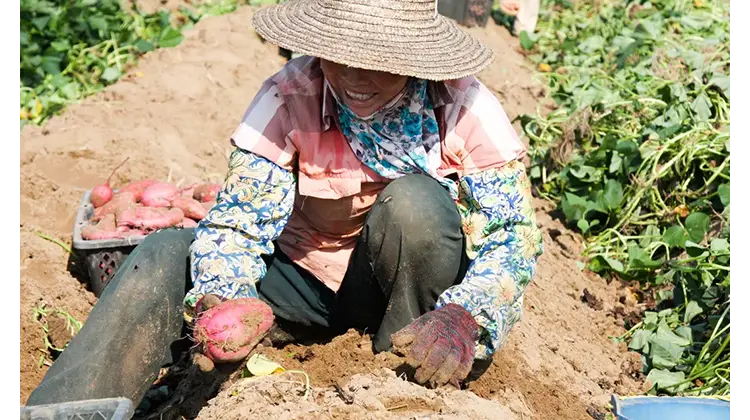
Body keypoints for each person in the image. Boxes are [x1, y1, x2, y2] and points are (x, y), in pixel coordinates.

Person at [25, 0, 543, 409]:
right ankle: (71, 407)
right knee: (164, 252)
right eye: (341, 58)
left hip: (401, 293)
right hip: (300, 279)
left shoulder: (463, 106)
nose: (355, 79)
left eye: (378, 65)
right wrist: (222, 298)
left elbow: (513, 234)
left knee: (417, 206)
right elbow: (237, 225)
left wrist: (466, 315)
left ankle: (403, 387)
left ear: (414, 62)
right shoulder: (290, 94)